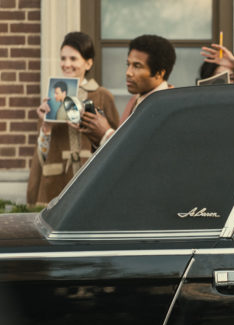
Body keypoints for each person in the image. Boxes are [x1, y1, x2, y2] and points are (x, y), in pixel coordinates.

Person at [27, 32, 119, 206]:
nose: (66, 64)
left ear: (88, 62)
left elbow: (116, 143)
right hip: (57, 182)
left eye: (73, 59)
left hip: (91, 180)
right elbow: (42, 153)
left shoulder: (102, 96)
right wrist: (46, 127)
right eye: (63, 58)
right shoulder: (52, 97)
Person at [87, 34, 176, 147]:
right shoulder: (135, 100)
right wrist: (96, 134)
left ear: (159, 73)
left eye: (137, 66)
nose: (128, 72)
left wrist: (106, 133)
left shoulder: (168, 106)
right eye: (128, 64)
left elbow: (142, 152)